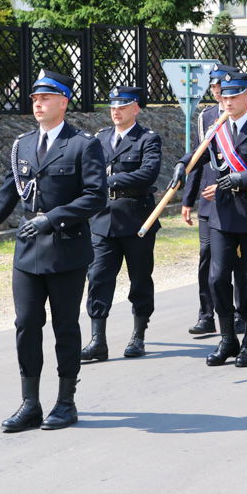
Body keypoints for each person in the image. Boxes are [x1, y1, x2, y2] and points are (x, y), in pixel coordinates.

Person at [0, 70, 107, 432]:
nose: (38, 104)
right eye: (34, 99)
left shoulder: (82, 144)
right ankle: (30, 403)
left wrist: (54, 218)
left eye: (45, 98)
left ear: (63, 102)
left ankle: (66, 401)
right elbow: (9, 192)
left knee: (65, 327)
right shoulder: (23, 144)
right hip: (28, 250)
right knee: (26, 325)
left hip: (66, 249)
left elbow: (95, 196)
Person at [168, 71, 247, 367]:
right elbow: (197, 153)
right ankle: (227, 339)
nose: (229, 101)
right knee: (217, 277)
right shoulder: (215, 128)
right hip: (222, 215)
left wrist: (242, 178)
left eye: (235, 96)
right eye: (224, 96)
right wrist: (181, 164)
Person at [82, 87, 162, 362]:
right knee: (98, 278)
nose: (116, 111)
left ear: (135, 108)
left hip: (137, 218)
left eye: (122, 107)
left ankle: (138, 336)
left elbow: (148, 173)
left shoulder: (148, 139)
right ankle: (97, 341)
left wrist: (111, 181)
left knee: (140, 278)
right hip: (103, 220)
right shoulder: (100, 138)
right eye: (113, 107)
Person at [180, 63, 246, 336]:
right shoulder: (206, 116)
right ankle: (206, 314)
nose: (217, 91)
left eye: (221, 86)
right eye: (215, 87)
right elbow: (198, 159)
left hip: (240, 198)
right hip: (209, 198)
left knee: (238, 259)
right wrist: (187, 199)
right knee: (207, 258)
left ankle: (241, 311)